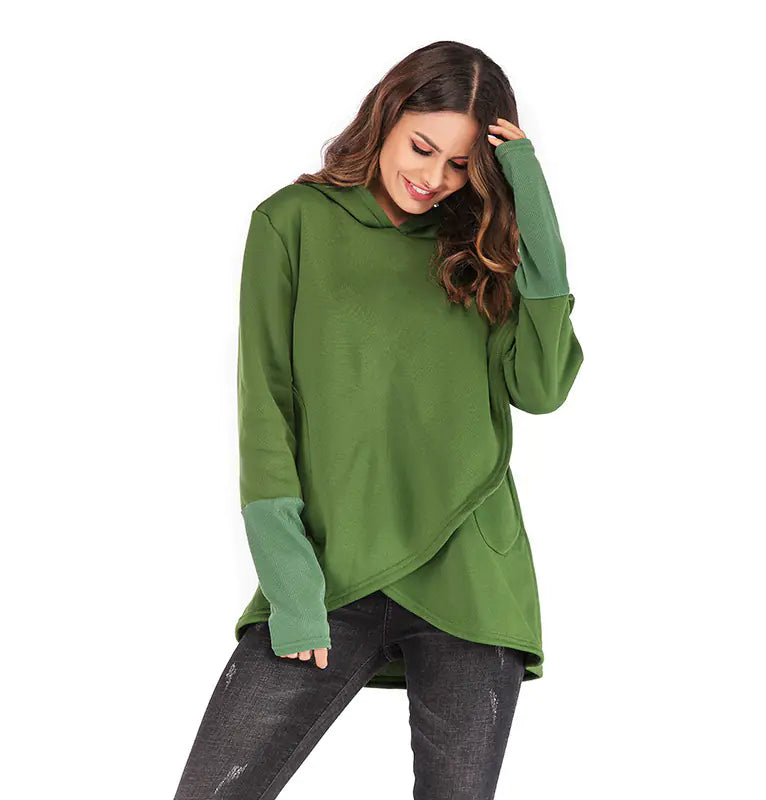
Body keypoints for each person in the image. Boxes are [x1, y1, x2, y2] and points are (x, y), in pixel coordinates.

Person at [173, 39, 584, 800]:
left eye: (460, 164)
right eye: (423, 147)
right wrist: (292, 588)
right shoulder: (291, 222)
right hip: (330, 568)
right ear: (388, 114)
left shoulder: (479, 247)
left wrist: (528, 194)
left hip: (471, 577)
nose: (434, 178)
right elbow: (266, 409)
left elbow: (542, 387)